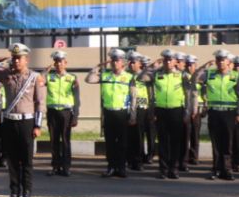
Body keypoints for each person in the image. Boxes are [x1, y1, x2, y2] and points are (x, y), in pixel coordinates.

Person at [0, 44, 46, 197]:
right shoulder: (6, 75)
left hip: (27, 122)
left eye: (19, 58)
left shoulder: (35, 77)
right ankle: (14, 192)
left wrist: (37, 126)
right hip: (10, 121)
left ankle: (27, 193)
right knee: (12, 160)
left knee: (26, 160)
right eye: (14, 58)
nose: (16, 61)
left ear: (26, 59)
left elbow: (40, 103)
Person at [194, 50, 239, 181]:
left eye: (223, 60)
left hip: (229, 112)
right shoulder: (209, 74)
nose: (220, 62)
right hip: (214, 112)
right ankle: (216, 169)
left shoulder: (236, 76)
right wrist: (204, 67)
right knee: (216, 142)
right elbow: (194, 78)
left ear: (228, 62)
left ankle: (227, 170)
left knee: (228, 142)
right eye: (218, 60)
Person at [141, 50, 192, 180]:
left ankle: (173, 169)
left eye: (170, 60)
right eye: (165, 60)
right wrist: (151, 66)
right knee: (163, 141)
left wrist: (187, 112)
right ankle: (163, 169)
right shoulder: (156, 74)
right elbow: (140, 78)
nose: (168, 62)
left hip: (177, 111)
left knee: (175, 142)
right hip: (161, 111)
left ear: (176, 61)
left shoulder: (182, 75)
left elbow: (188, 95)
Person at [86, 49, 138, 178]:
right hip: (108, 113)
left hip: (122, 113)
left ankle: (121, 168)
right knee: (109, 143)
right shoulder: (105, 75)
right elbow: (89, 79)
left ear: (123, 63)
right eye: (113, 60)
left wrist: (133, 115)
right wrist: (98, 67)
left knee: (122, 143)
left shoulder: (129, 77)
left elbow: (133, 97)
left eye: (118, 60)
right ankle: (111, 167)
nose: (115, 63)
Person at [44, 50, 79, 176]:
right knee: (53, 140)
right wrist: (45, 70)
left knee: (65, 140)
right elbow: (38, 81)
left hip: (66, 113)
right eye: (56, 62)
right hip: (52, 112)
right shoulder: (49, 77)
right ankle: (55, 166)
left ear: (65, 63)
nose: (58, 64)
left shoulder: (72, 78)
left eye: (61, 62)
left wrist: (75, 116)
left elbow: (76, 98)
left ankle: (66, 167)